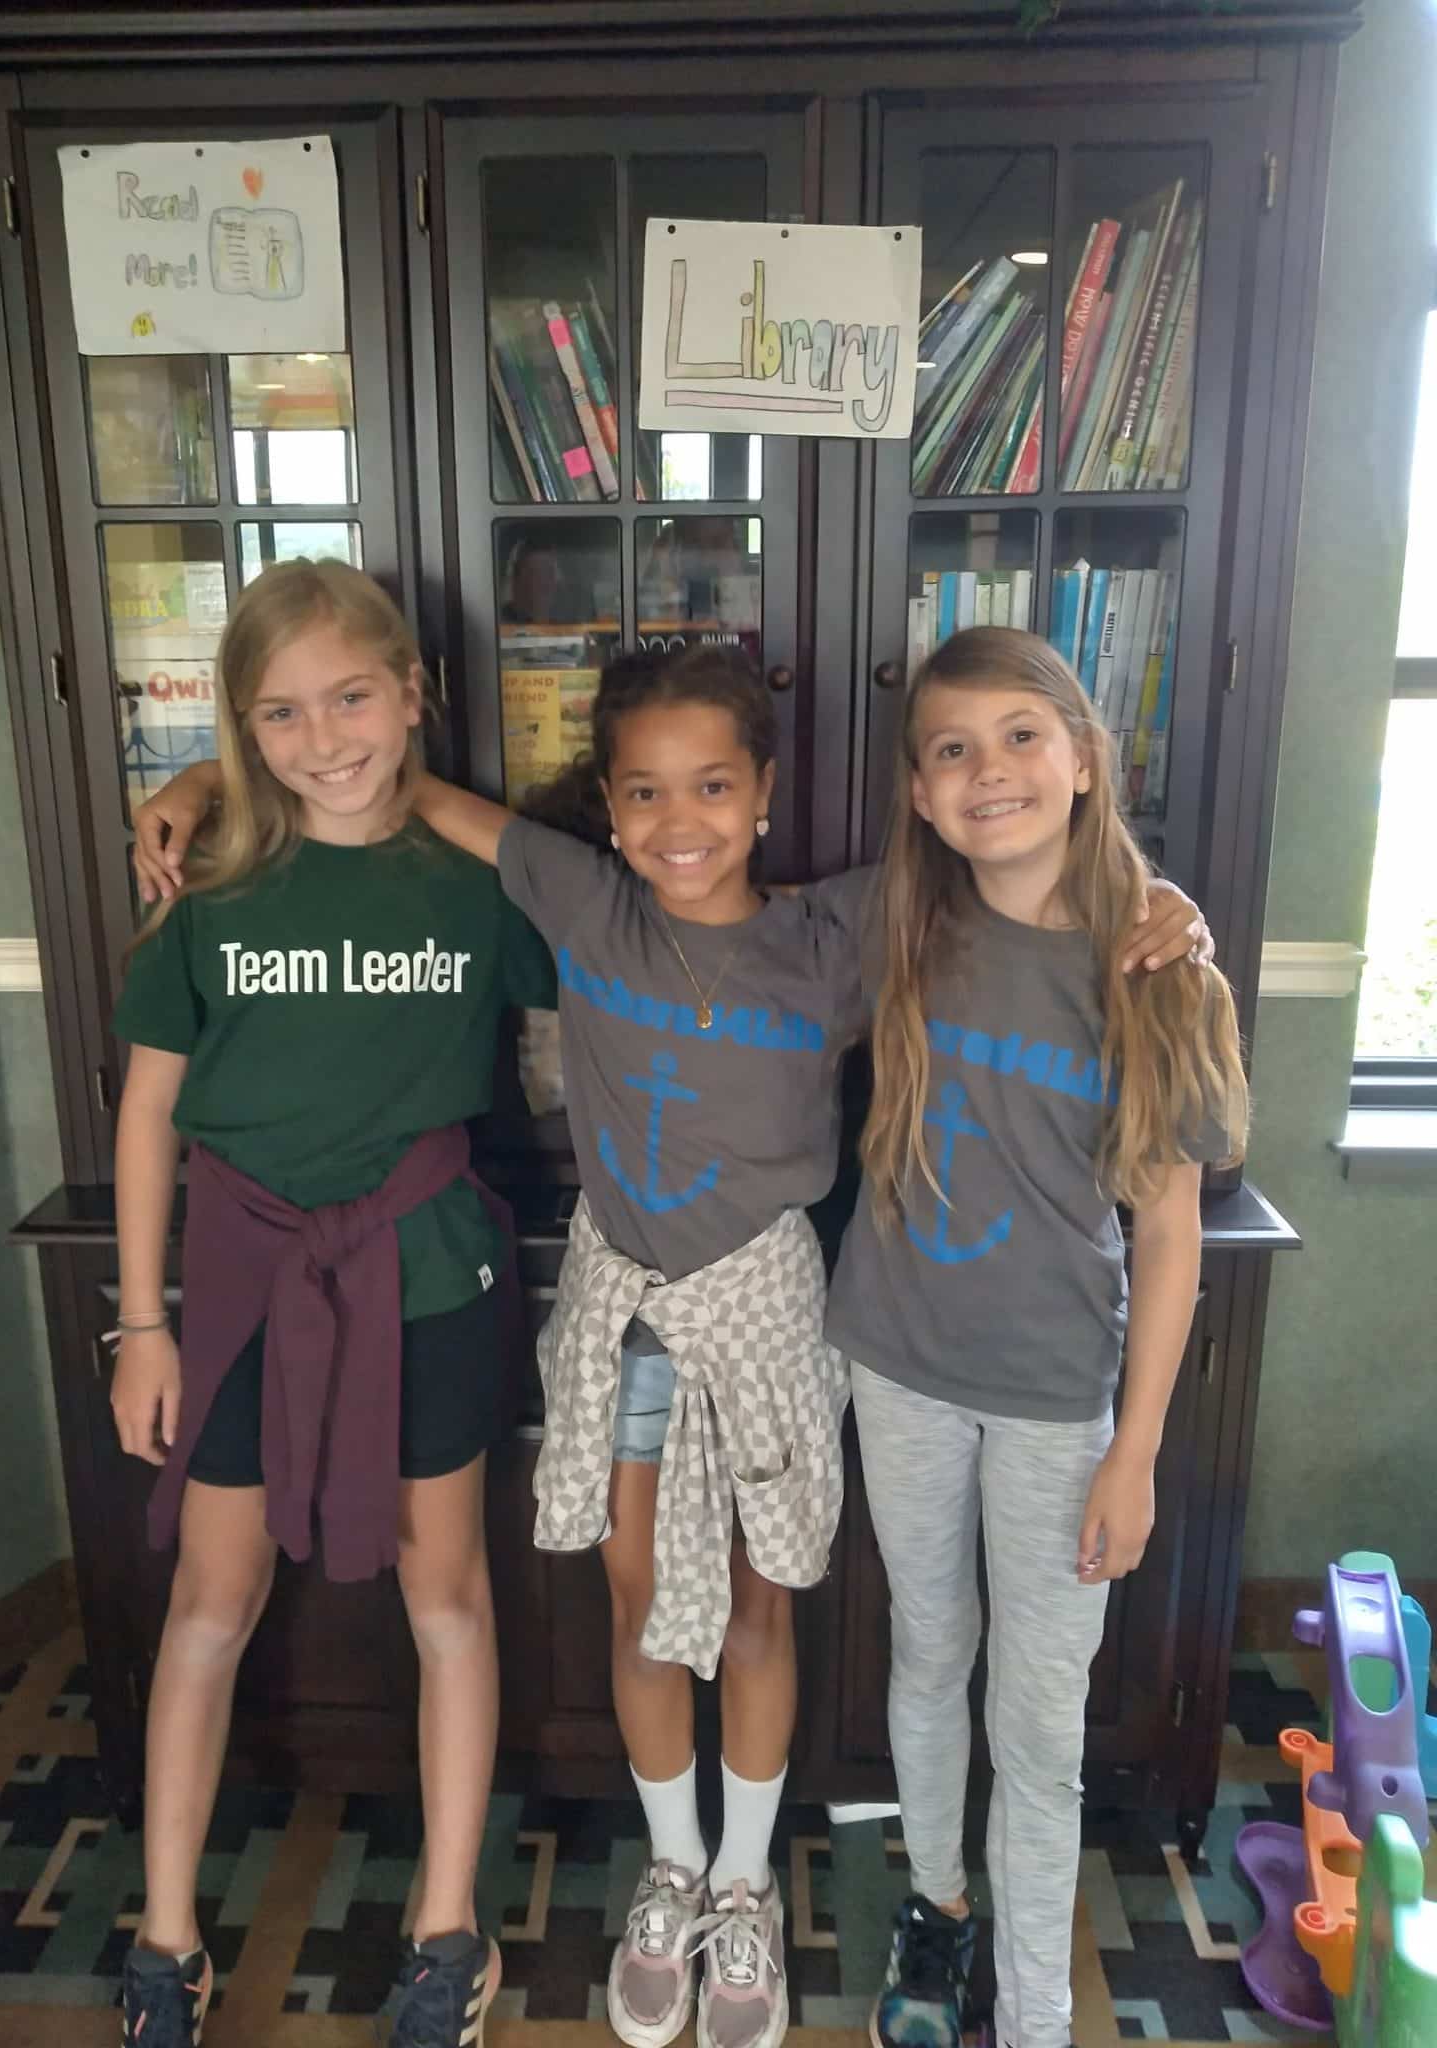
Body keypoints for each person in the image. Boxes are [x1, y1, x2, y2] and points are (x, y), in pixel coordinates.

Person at [132, 639, 1210, 2048]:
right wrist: (215, 780)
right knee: (639, 1601)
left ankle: (746, 1883)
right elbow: (387, 783)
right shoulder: (581, 899)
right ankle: (677, 1865)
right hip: (628, 1311)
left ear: (765, 793)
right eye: (643, 793)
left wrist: (1164, 906)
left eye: (712, 786)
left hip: (767, 1311)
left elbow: (1020, 869)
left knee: (762, 1605)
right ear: (608, 807)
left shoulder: (847, 930)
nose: (679, 820)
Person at [109, 558, 554, 2048]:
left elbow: (633, 932)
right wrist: (142, 1322)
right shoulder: (208, 887)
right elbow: (149, 1109)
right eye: (280, 714)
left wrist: (400, 790)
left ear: (413, 693)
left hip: (429, 1280)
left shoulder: (478, 882)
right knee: (209, 1601)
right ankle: (166, 1940)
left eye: (352, 697)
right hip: (244, 1288)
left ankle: (447, 1930)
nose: (323, 738)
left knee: (447, 1597)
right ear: (243, 726)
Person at [816, 627, 1249, 2048]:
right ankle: (939, 1909)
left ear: (1082, 760)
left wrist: (1136, 1452)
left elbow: (1170, 1234)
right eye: (952, 749)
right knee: (929, 1654)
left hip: (1063, 1402)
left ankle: (1039, 2014)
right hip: (899, 1367)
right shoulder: (898, 922)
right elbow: (716, 916)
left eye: (1020, 736)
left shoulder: (1156, 969)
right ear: (920, 791)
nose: (987, 770)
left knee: (1041, 1723)